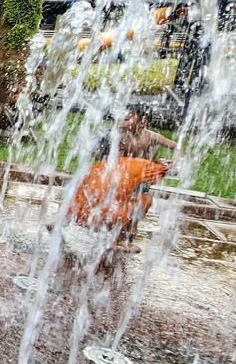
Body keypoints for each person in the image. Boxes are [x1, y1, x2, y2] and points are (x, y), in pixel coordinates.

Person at [70, 105, 176, 253]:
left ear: (142, 122)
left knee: (142, 204)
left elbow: (174, 147)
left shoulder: (151, 137)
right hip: (119, 180)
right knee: (104, 202)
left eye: (126, 119)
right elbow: (108, 159)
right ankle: (67, 219)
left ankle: (123, 240)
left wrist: (169, 164)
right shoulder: (119, 137)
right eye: (121, 118)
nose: (121, 121)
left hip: (138, 179)